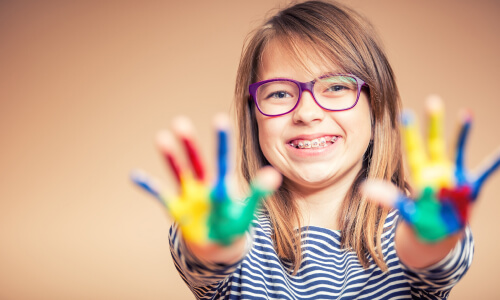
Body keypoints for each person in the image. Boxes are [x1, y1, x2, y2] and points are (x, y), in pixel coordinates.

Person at [132, 1, 498, 299]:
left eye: (336, 87)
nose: (307, 113)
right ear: (253, 116)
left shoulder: (410, 225)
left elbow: (431, 257)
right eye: (278, 93)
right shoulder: (235, 231)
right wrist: (211, 246)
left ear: (376, 106)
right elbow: (208, 261)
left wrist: (431, 238)